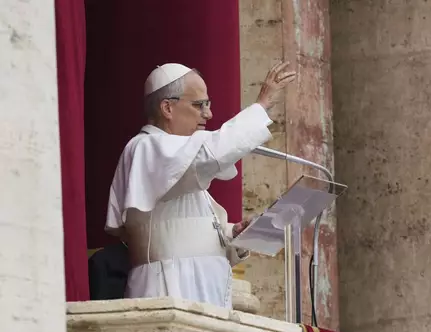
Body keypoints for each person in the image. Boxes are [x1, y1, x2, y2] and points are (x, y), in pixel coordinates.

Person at [105, 61, 296, 308]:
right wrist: (260, 107)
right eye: (199, 105)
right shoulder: (145, 148)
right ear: (167, 108)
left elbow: (186, 234)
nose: (208, 114)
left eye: (208, 104)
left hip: (203, 289)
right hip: (169, 288)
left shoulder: (179, 157)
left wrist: (232, 236)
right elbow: (211, 153)